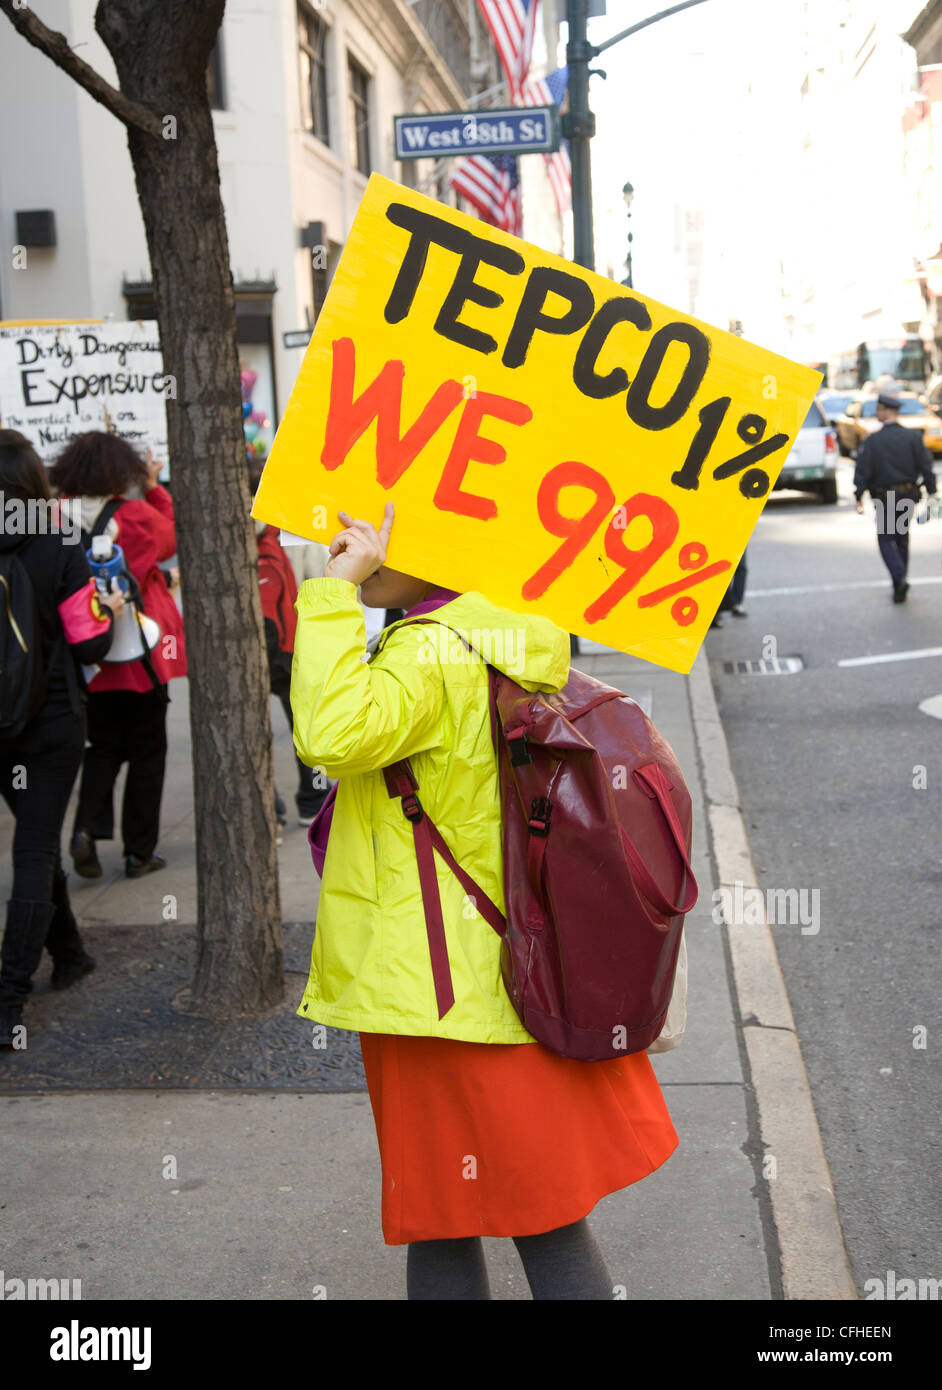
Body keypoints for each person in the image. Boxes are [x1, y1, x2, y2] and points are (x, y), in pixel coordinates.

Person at [290, 502, 678, 1300]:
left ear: (437, 549)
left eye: (373, 533)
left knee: (457, 1214)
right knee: (526, 1213)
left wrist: (330, 592)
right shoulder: (506, 634)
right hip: (512, 960)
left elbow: (330, 733)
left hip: (435, 986)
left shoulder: (428, 652)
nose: (351, 544)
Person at [0, 430, 124, 1047]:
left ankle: (70, 953)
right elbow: (88, 643)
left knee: (37, 841)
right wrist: (115, 610)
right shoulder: (59, 542)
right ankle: (8, 1000)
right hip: (49, 724)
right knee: (33, 851)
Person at [49, 433, 186, 878]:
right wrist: (152, 484)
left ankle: (85, 829)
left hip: (88, 658)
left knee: (102, 746)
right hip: (139, 653)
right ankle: (139, 852)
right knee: (148, 751)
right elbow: (170, 536)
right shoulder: (135, 514)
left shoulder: (53, 517)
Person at [250, 474, 330, 828]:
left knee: (250, 728)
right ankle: (311, 799)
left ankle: (268, 807)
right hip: (288, 644)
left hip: (245, 645)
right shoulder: (294, 524)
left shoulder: (219, 529)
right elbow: (318, 578)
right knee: (304, 723)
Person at [854, 393, 937, 602]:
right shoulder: (913, 437)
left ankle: (899, 578)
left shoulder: (873, 441)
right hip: (908, 495)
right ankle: (899, 582)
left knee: (885, 539)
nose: (876, 414)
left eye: (878, 410)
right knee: (901, 537)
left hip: (885, 497)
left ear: (886, 411)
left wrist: (858, 494)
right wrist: (932, 492)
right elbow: (926, 467)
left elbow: (863, 471)